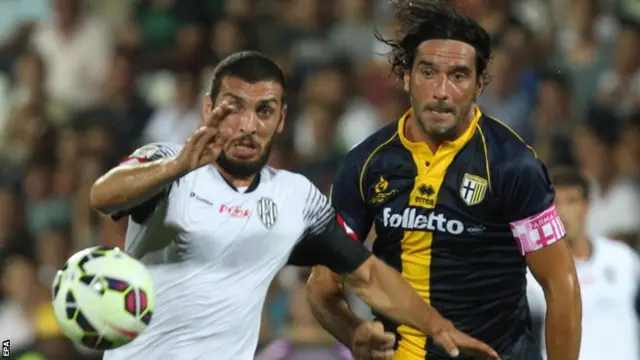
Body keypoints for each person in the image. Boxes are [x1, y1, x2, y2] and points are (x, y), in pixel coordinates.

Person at [89, 51, 499, 360]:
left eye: (264, 111)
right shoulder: (166, 162)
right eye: (233, 109)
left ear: (281, 119)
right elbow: (103, 195)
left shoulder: (294, 198)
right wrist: (174, 167)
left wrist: (437, 326)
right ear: (209, 109)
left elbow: (367, 274)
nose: (249, 126)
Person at [305, 2, 582, 360]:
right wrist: (353, 330)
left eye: (459, 75)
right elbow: (322, 285)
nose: (441, 90)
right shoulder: (366, 164)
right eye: (428, 72)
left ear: (480, 84)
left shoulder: (513, 165)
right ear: (406, 77)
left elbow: (561, 284)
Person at [527, 167, 640, 360]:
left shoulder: (623, 259)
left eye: (571, 201)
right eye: (554, 205)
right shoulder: (533, 272)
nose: (562, 212)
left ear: (587, 205)